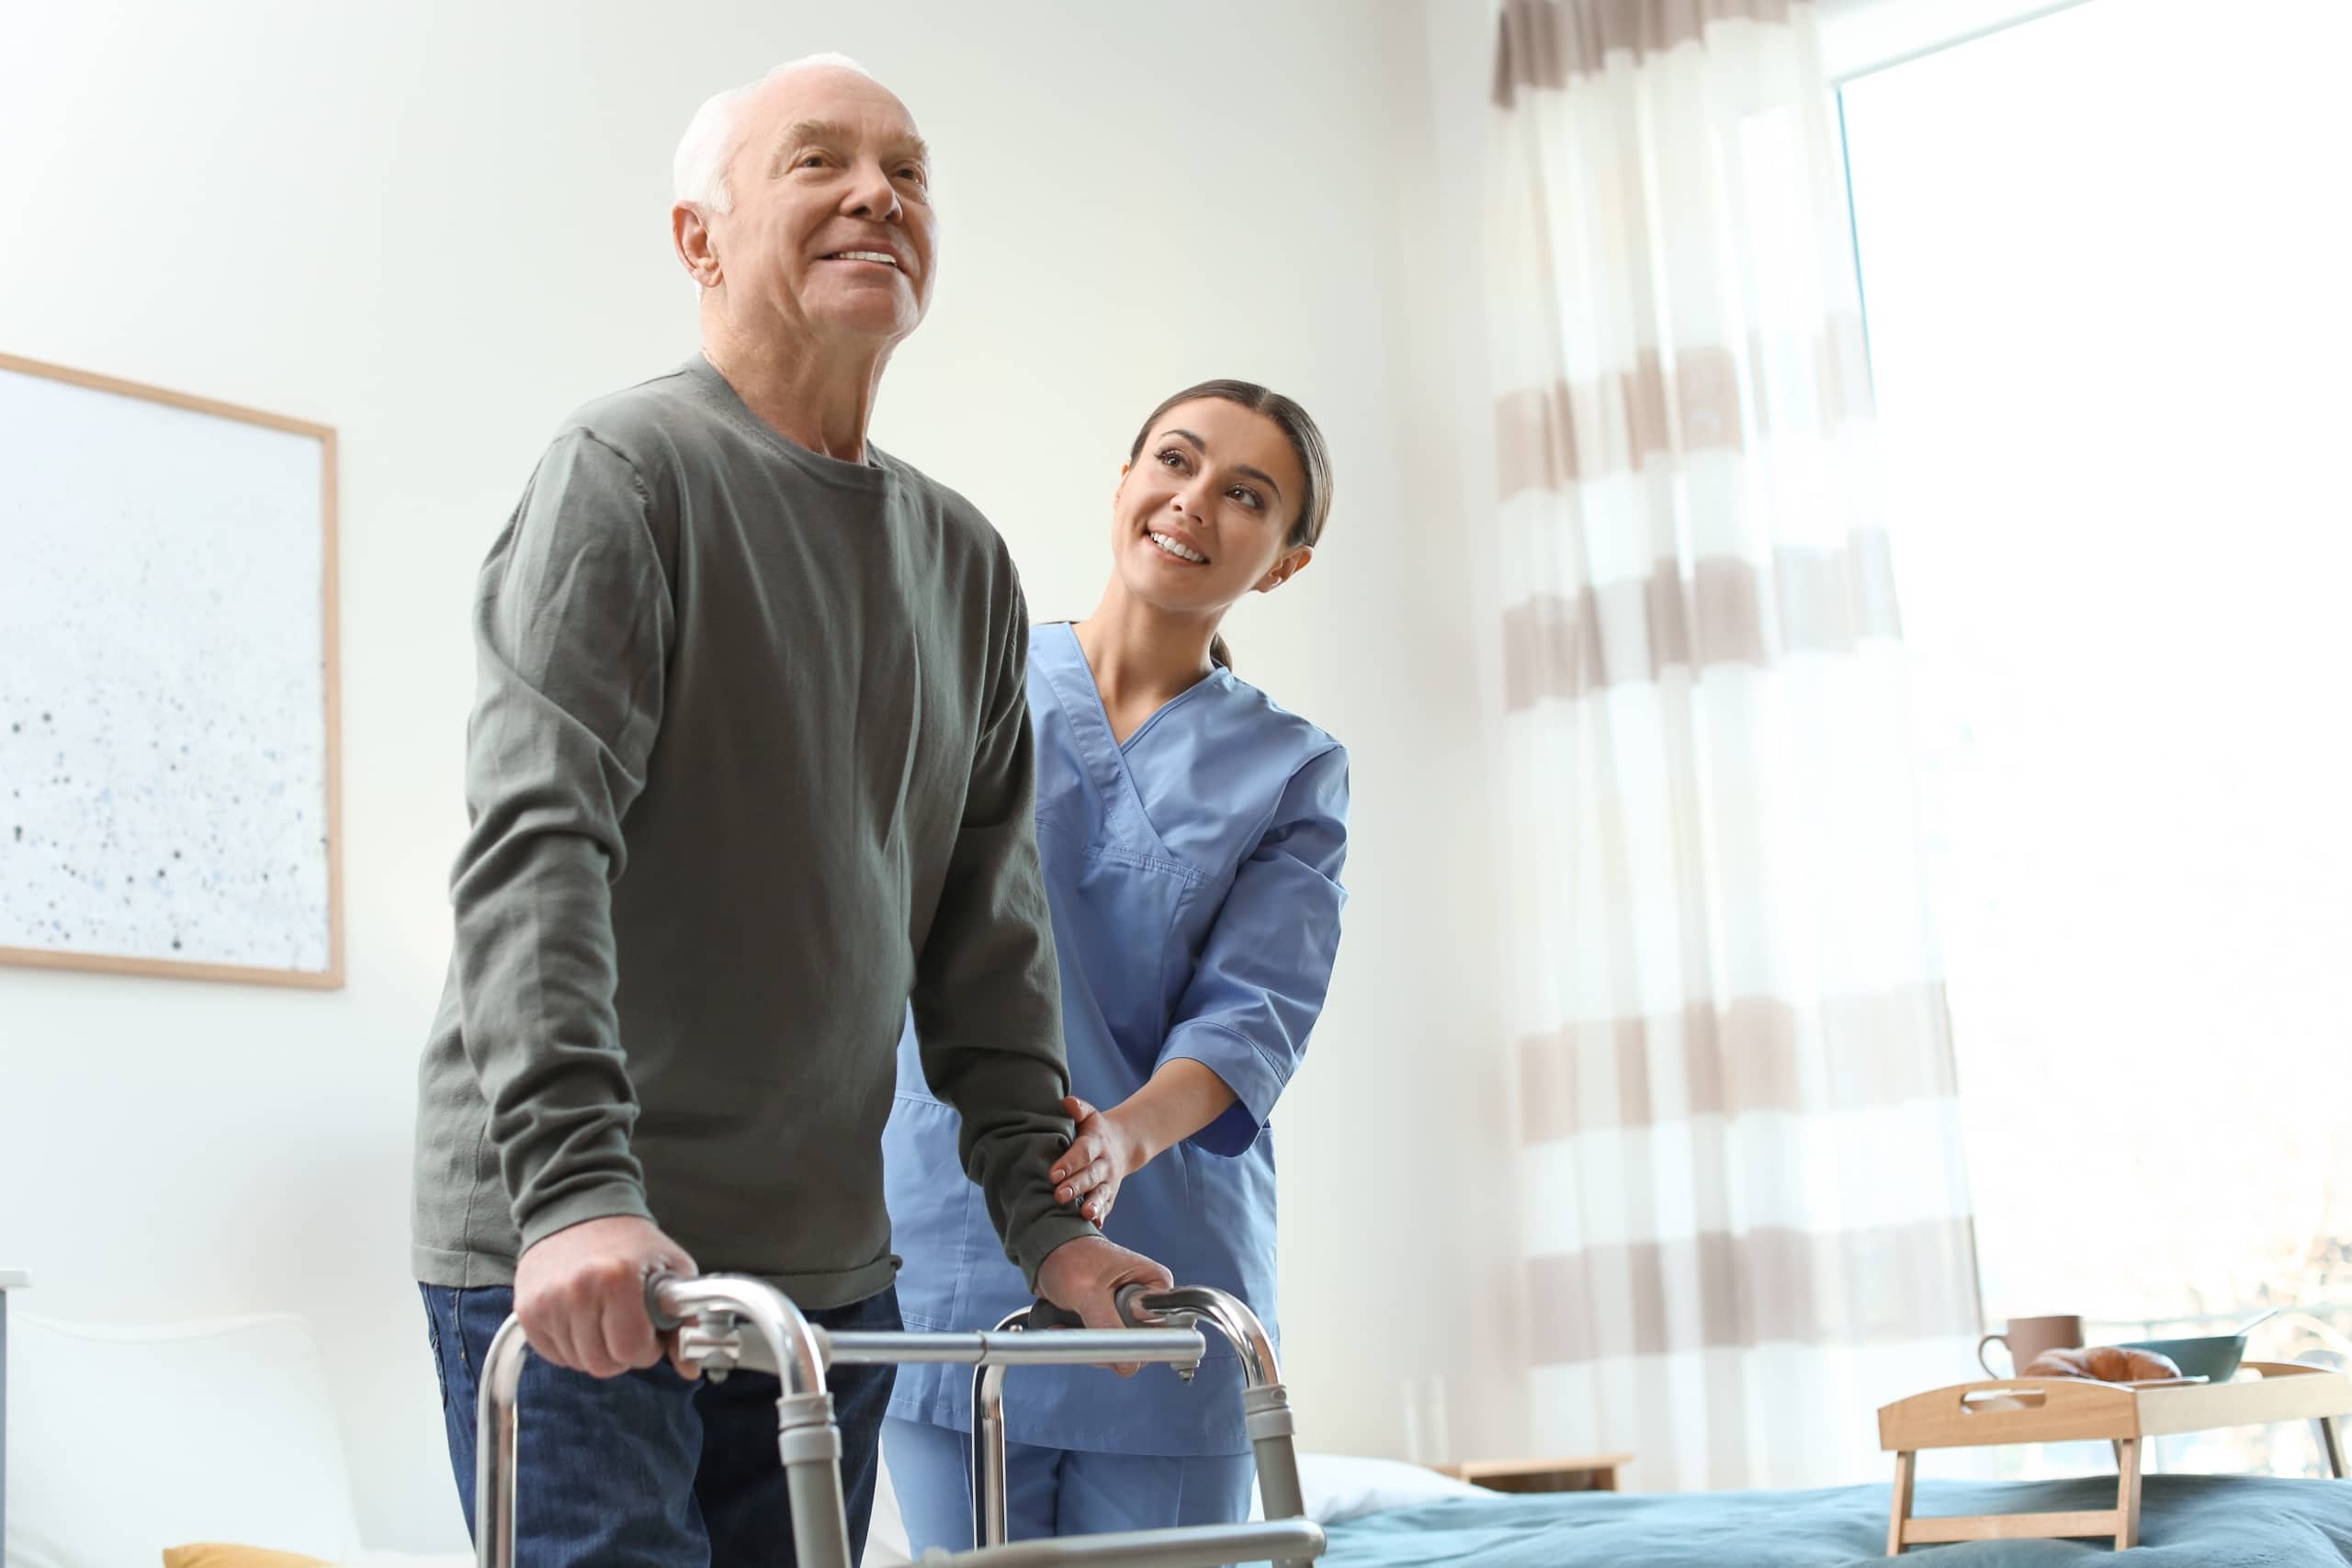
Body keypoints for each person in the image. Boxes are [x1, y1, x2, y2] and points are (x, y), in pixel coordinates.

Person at [408, 54, 1169, 1566]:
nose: (879, 192)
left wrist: (1047, 1218)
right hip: (584, 1245)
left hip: (821, 1273)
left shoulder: (962, 561)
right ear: (701, 238)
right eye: (819, 162)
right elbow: (532, 852)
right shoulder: (627, 473)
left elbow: (983, 934)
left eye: (907, 168)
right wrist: (572, 1193)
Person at [880, 379, 1350, 1548]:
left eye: (1246, 495)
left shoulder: (1293, 770)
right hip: (950, 1234)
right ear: (1126, 482)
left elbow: (1250, 1018)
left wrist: (1122, 1138)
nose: (1195, 502)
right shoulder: (967, 687)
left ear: (1284, 561)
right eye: (1175, 463)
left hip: (1167, 1253)